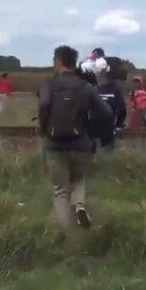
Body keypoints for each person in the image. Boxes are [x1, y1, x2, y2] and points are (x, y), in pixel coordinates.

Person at [38, 45, 113, 233]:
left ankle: (66, 235)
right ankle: (79, 205)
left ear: (58, 61)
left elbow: (44, 105)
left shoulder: (49, 84)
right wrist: (92, 130)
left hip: (55, 145)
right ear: (73, 62)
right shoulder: (85, 86)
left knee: (60, 190)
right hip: (81, 144)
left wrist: (44, 129)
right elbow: (106, 112)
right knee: (78, 179)